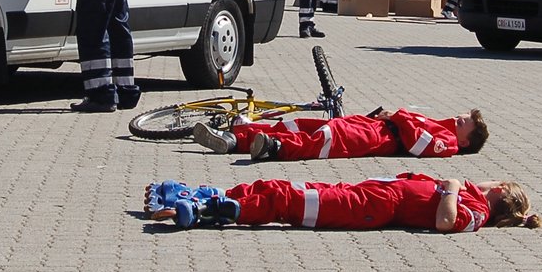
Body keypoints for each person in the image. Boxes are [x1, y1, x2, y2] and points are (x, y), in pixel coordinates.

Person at [145, 172, 542, 232]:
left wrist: (452, 187)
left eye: (500, 183)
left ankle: (212, 211)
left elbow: (445, 222)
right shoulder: (478, 194)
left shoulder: (475, 211)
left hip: (376, 208)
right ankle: (209, 195)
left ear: (502, 195)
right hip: (375, 192)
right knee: (285, 187)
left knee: (293, 204)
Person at [192, 107, 489, 161]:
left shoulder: (448, 143)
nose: (460, 117)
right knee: (304, 125)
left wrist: (398, 116)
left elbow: (419, 144)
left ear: (464, 141)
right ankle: (235, 138)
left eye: (466, 122)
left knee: (323, 141)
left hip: (379, 140)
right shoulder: (443, 126)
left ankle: (273, 147)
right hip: (373, 126)